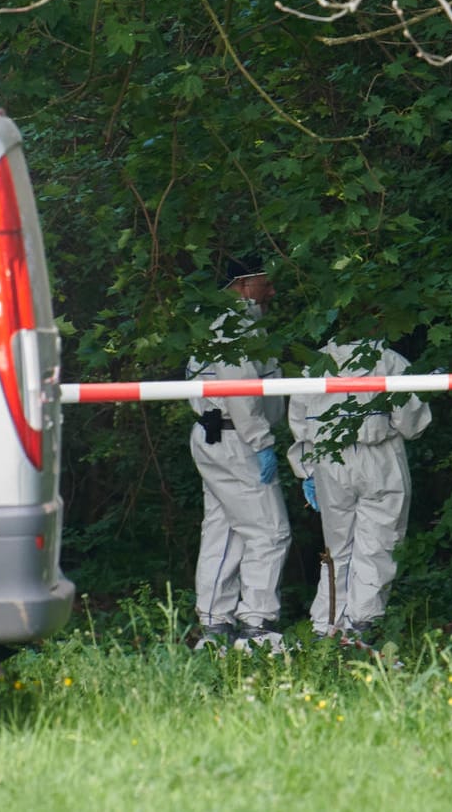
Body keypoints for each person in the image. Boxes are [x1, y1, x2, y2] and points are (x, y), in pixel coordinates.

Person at [286, 337, 431, 641]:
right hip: (379, 456)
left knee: (338, 548)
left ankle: (325, 624)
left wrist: (306, 471)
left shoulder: (315, 364)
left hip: (329, 460)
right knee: (378, 543)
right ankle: (362, 625)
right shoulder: (389, 360)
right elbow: (411, 424)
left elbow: (299, 423)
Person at [186, 259, 290, 650]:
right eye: (267, 283)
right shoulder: (234, 326)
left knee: (225, 530)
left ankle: (214, 625)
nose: (272, 292)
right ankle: (257, 626)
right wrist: (262, 442)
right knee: (270, 531)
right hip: (237, 439)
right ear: (245, 284)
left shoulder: (210, 320)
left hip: (216, 436)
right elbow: (242, 392)